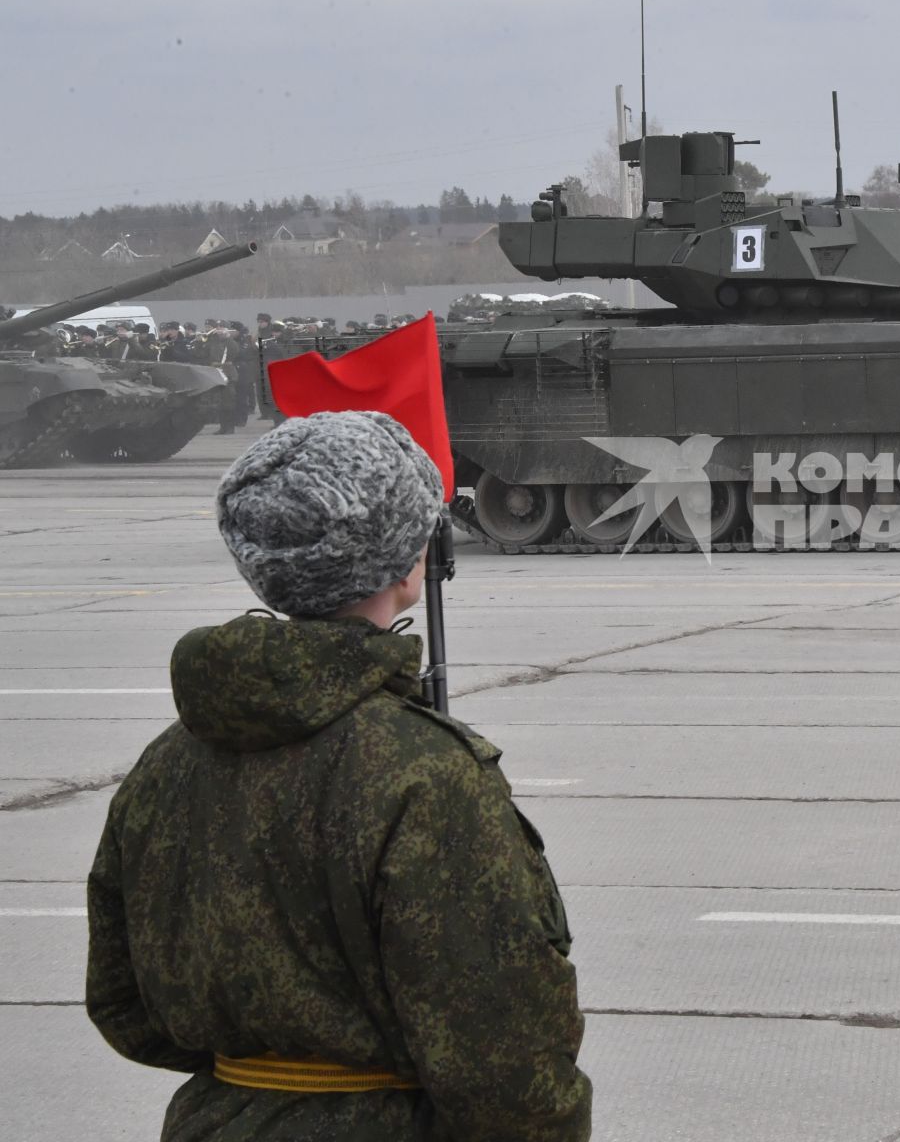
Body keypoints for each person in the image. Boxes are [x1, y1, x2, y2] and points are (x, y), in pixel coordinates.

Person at [86, 412, 592, 1141]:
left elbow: (124, 1005)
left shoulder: (170, 761)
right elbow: (505, 1062)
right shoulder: (422, 772)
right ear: (406, 561)